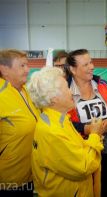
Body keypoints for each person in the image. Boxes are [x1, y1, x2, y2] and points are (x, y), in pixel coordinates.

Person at [27, 67, 104, 197]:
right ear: (53, 98)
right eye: (67, 88)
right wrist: (95, 135)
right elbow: (84, 166)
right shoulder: (52, 131)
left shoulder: (59, 119)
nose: (72, 92)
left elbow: (73, 149)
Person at [65, 49, 107, 197]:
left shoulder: (103, 85)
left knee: (105, 190)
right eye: (85, 64)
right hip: (80, 155)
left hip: (106, 152)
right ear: (73, 69)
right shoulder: (64, 91)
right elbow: (61, 122)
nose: (92, 66)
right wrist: (88, 129)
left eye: (91, 62)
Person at [0, 49, 39, 196]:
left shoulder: (25, 91)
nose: (27, 70)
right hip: (8, 181)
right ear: (4, 70)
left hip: (28, 175)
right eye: (22, 65)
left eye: (27, 65)